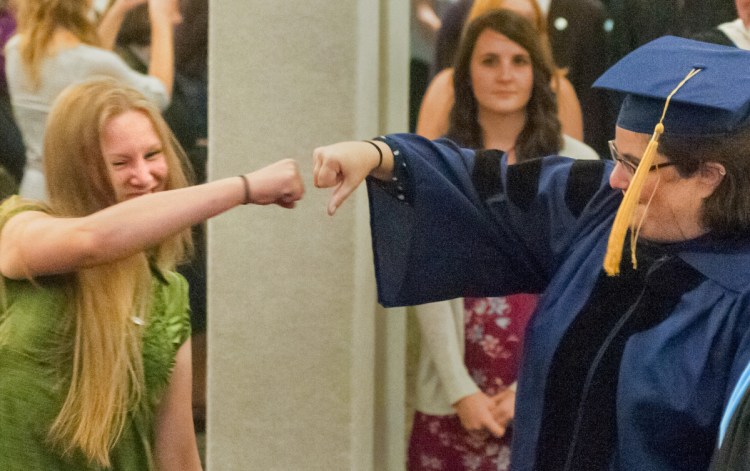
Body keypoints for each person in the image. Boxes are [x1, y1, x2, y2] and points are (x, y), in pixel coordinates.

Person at [313, 36, 750, 470]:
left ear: (709, 176)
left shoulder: (739, 296)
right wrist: (380, 155)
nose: (615, 178)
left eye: (634, 166)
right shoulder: (599, 208)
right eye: (617, 155)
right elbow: (489, 189)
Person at [0, 77, 304, 470]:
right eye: (120, 163)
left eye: (152, 155)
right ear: (76, 168)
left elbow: (177, 454)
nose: (144, 177)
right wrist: (243, 188)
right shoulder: (20, 226)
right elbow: (90, 240)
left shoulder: (167, 294)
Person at [407, 10, 596, 471]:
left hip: (545, 376)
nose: (505, 74)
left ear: (538, 72)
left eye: (519, 60)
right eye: (489, 60)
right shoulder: (440, 165)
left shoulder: (580, 165)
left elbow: (586, 285)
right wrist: (459, 390)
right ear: (466, 74)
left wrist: (530, 385)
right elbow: (427, 279)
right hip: (454, 388)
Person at [5, 0, 180, 201]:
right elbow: (158, 96)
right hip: (76, 194)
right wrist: (161, 20)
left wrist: (118, 10)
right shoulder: (92, 62)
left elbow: (92, 68)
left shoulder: (17, 51)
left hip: (35, 188)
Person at [416, 0, 584, 143]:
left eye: (527, 22)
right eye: (489, 61)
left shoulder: (560, 89)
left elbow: (573, 161)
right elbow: (424, 159)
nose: (505, 76)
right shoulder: (446, 85)